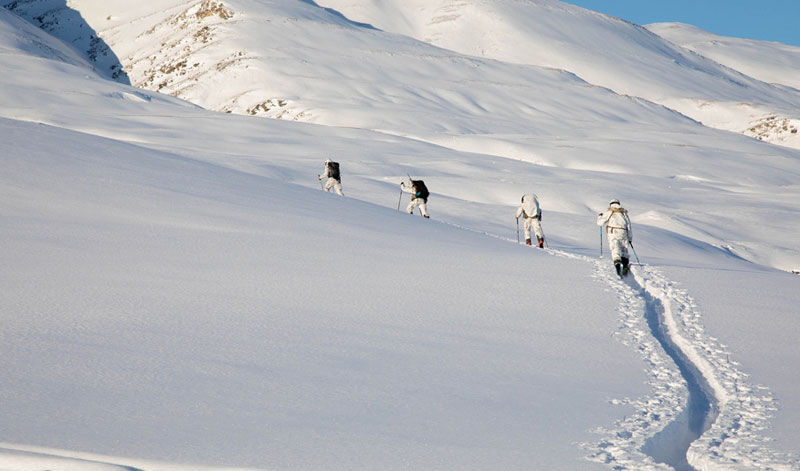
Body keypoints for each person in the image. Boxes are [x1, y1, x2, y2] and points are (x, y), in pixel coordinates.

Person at [597, 199, 633, 277]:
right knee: (624, 248)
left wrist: (600, 217)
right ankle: (625, 265)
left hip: (613, 232)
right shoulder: (624, 213)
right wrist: (630, 238)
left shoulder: (610, 212)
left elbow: (600, 223)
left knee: (615, 247)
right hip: (623, 232)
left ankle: (617, 265)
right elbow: (629, 227)